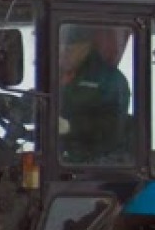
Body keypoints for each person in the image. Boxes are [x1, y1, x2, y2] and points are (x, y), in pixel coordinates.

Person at [57, 27, 133, 163]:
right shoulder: (52, 74)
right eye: (59, 48)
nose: (62, 53)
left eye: (69, 49)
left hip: (96, 163)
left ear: (85, 47)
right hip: (56, 156)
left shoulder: (109, 80)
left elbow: (113, 126)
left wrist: (71, 126)